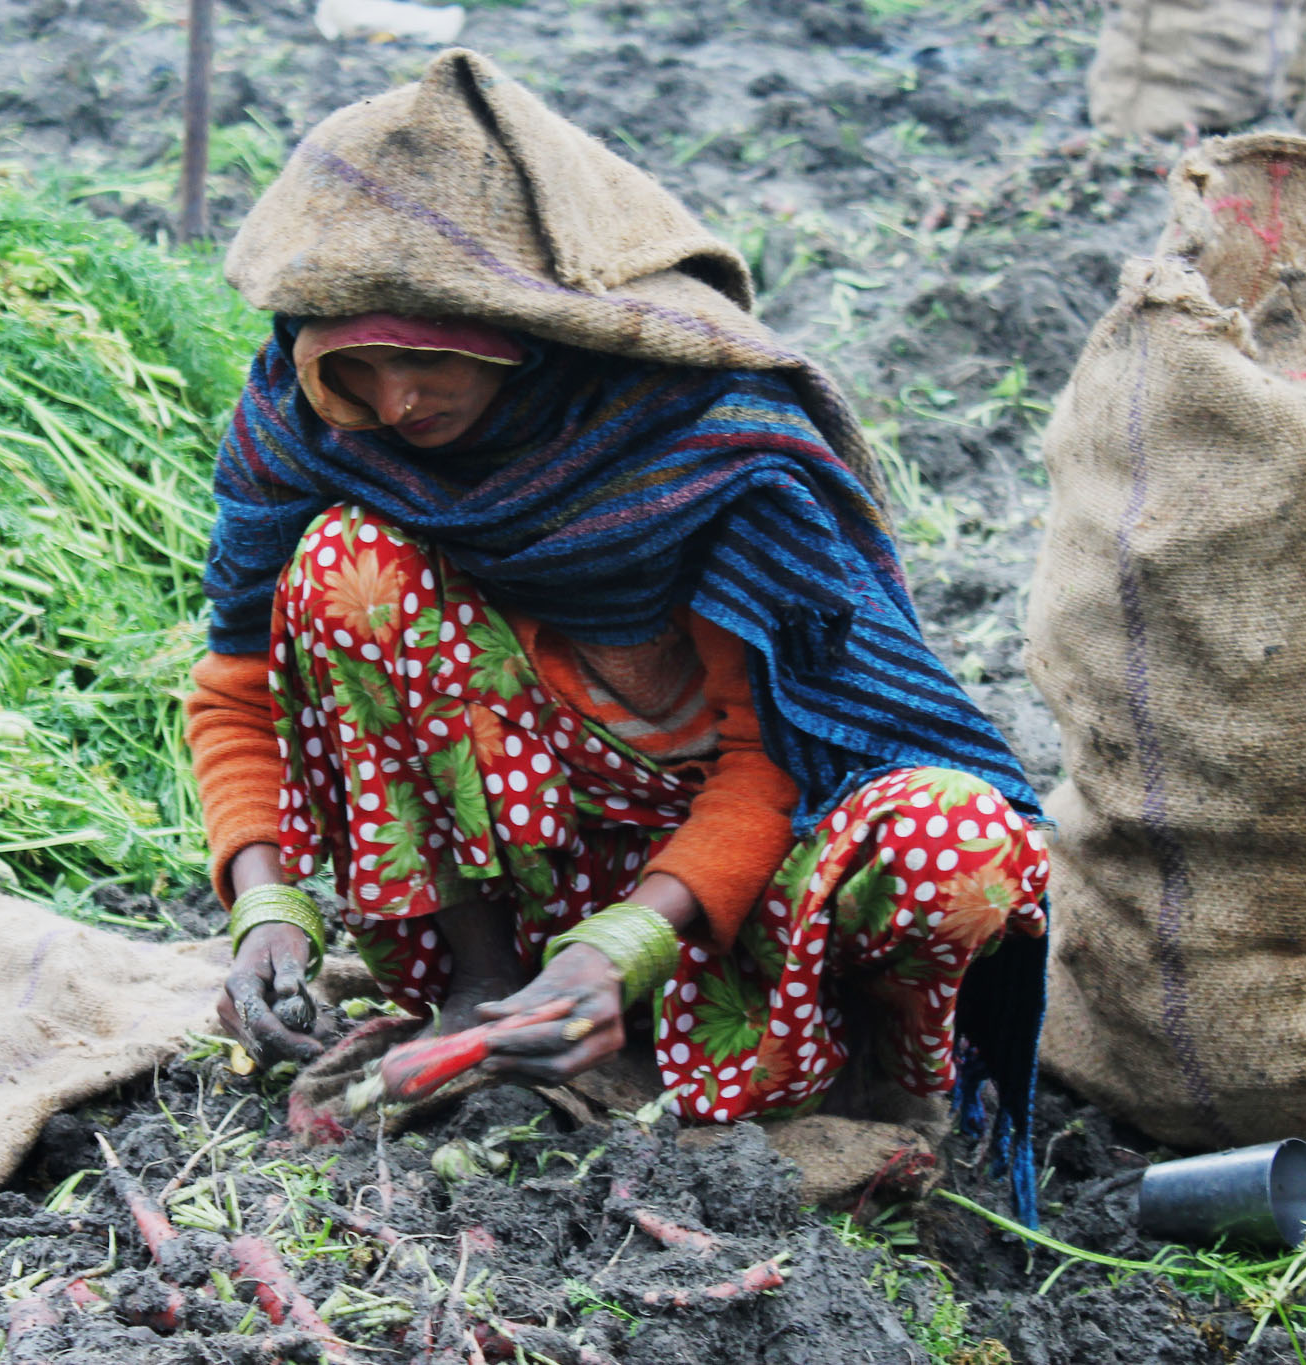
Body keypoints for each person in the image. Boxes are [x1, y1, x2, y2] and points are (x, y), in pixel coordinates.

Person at [185, 49, 1051, 1201]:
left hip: (744, 883)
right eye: (360, 366)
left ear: (526, 335)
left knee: (959, 842)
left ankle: (855, 1073)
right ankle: (481, 994)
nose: (395, 402)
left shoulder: (696, 443)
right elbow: (237, 684)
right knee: (348, 561)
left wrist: (623, 947)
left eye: (430, 360)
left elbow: (776, 756)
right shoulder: (310, 431)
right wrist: (265, 906)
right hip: (534, 870)